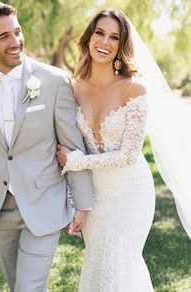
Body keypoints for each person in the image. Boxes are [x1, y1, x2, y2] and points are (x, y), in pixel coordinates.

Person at [0, 2, 93, 291]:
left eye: (17, 32)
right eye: (4, 37)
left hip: (43, 203)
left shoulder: (53, 80)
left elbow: (72, 146)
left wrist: (82, 204)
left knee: (29, 288)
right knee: (17, 287)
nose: (15, 42)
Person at [57, 9, 156, 291]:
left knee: (121, 263)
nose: (105, 41)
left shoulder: (133, 89)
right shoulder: (71, 89)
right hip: (95, 197)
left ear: (121, 46)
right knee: (98, 265)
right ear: (89, 38)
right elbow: (66, 145)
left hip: (131, 193)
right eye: (100, 32)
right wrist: (74, 202)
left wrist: (77, 162)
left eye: (115, 37)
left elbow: (129, 155)